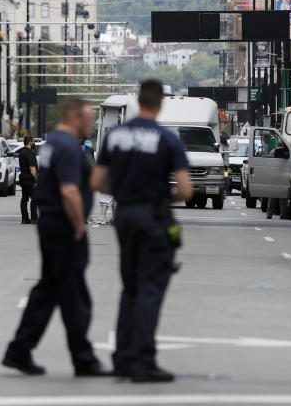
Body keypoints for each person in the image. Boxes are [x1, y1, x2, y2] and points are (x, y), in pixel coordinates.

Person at [92, 80, 193, 382]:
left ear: (137, 100)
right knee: (150, 288)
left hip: (125, 215)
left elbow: (97, 181)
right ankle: (143, 361)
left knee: (131, 286)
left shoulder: (116, 137)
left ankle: (123, 356)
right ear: (160, 103)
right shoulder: (167, 139)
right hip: (153, 216)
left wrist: (124, 189)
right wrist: (163, 195)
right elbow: (186, 189)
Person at [3, 99, 109, 378]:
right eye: (88, 119)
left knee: (49, 291)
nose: (92, 125)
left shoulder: (53, 144)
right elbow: (70, 191)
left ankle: (19, 349)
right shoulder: (67, 147)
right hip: (63, 226)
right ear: (74, 118)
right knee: (74, 295)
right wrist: (78, 226)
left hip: (52, 224)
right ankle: (82, 358)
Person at [18, 136, 39, 224]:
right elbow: (32, 167)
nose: (34, 143)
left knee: (24, 199)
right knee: (35, 198)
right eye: (33, 141)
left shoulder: (21, 152)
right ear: (30, 142)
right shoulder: (30, 153)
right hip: (30, 179)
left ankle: (25, 218)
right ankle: (34, 218)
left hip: (23, 178)